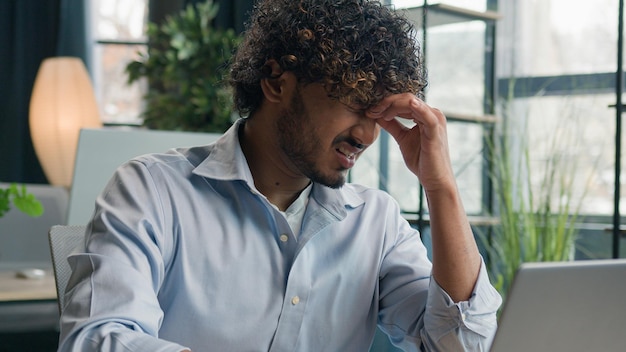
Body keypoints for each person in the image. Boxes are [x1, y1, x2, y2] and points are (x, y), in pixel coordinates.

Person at [58, 0, 502, 351]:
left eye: (379, 113)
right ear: (275, 82)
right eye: (353, 102)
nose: (367, 135)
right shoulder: (150, 191)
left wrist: (440, 187)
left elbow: (461, 346)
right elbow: (97, 338)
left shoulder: (376, 223)